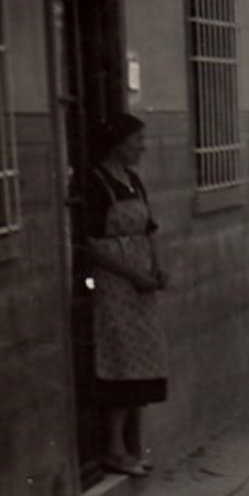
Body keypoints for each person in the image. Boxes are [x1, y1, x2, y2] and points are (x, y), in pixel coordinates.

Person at [79, 113, 169, 477]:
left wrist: (157, 268)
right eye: (137, 142)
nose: (142, 148)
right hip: (115, 285)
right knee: (119, 362)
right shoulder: (96, 183)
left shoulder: (132, 180)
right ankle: (115, 449)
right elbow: (91, 245)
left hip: (142, 284)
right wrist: (133, 274)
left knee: (144, 360)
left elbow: (149, 230)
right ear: (118, 145)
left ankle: (135, 445)